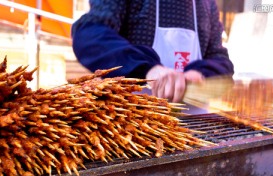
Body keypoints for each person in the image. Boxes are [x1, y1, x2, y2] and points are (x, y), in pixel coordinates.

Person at [72, 0, 234, 103]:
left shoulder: (207, 4)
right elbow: (89, 33)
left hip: (197, 127)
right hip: (133, 124)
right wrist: (146, 68)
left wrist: (202, 73)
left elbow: (219, 58)